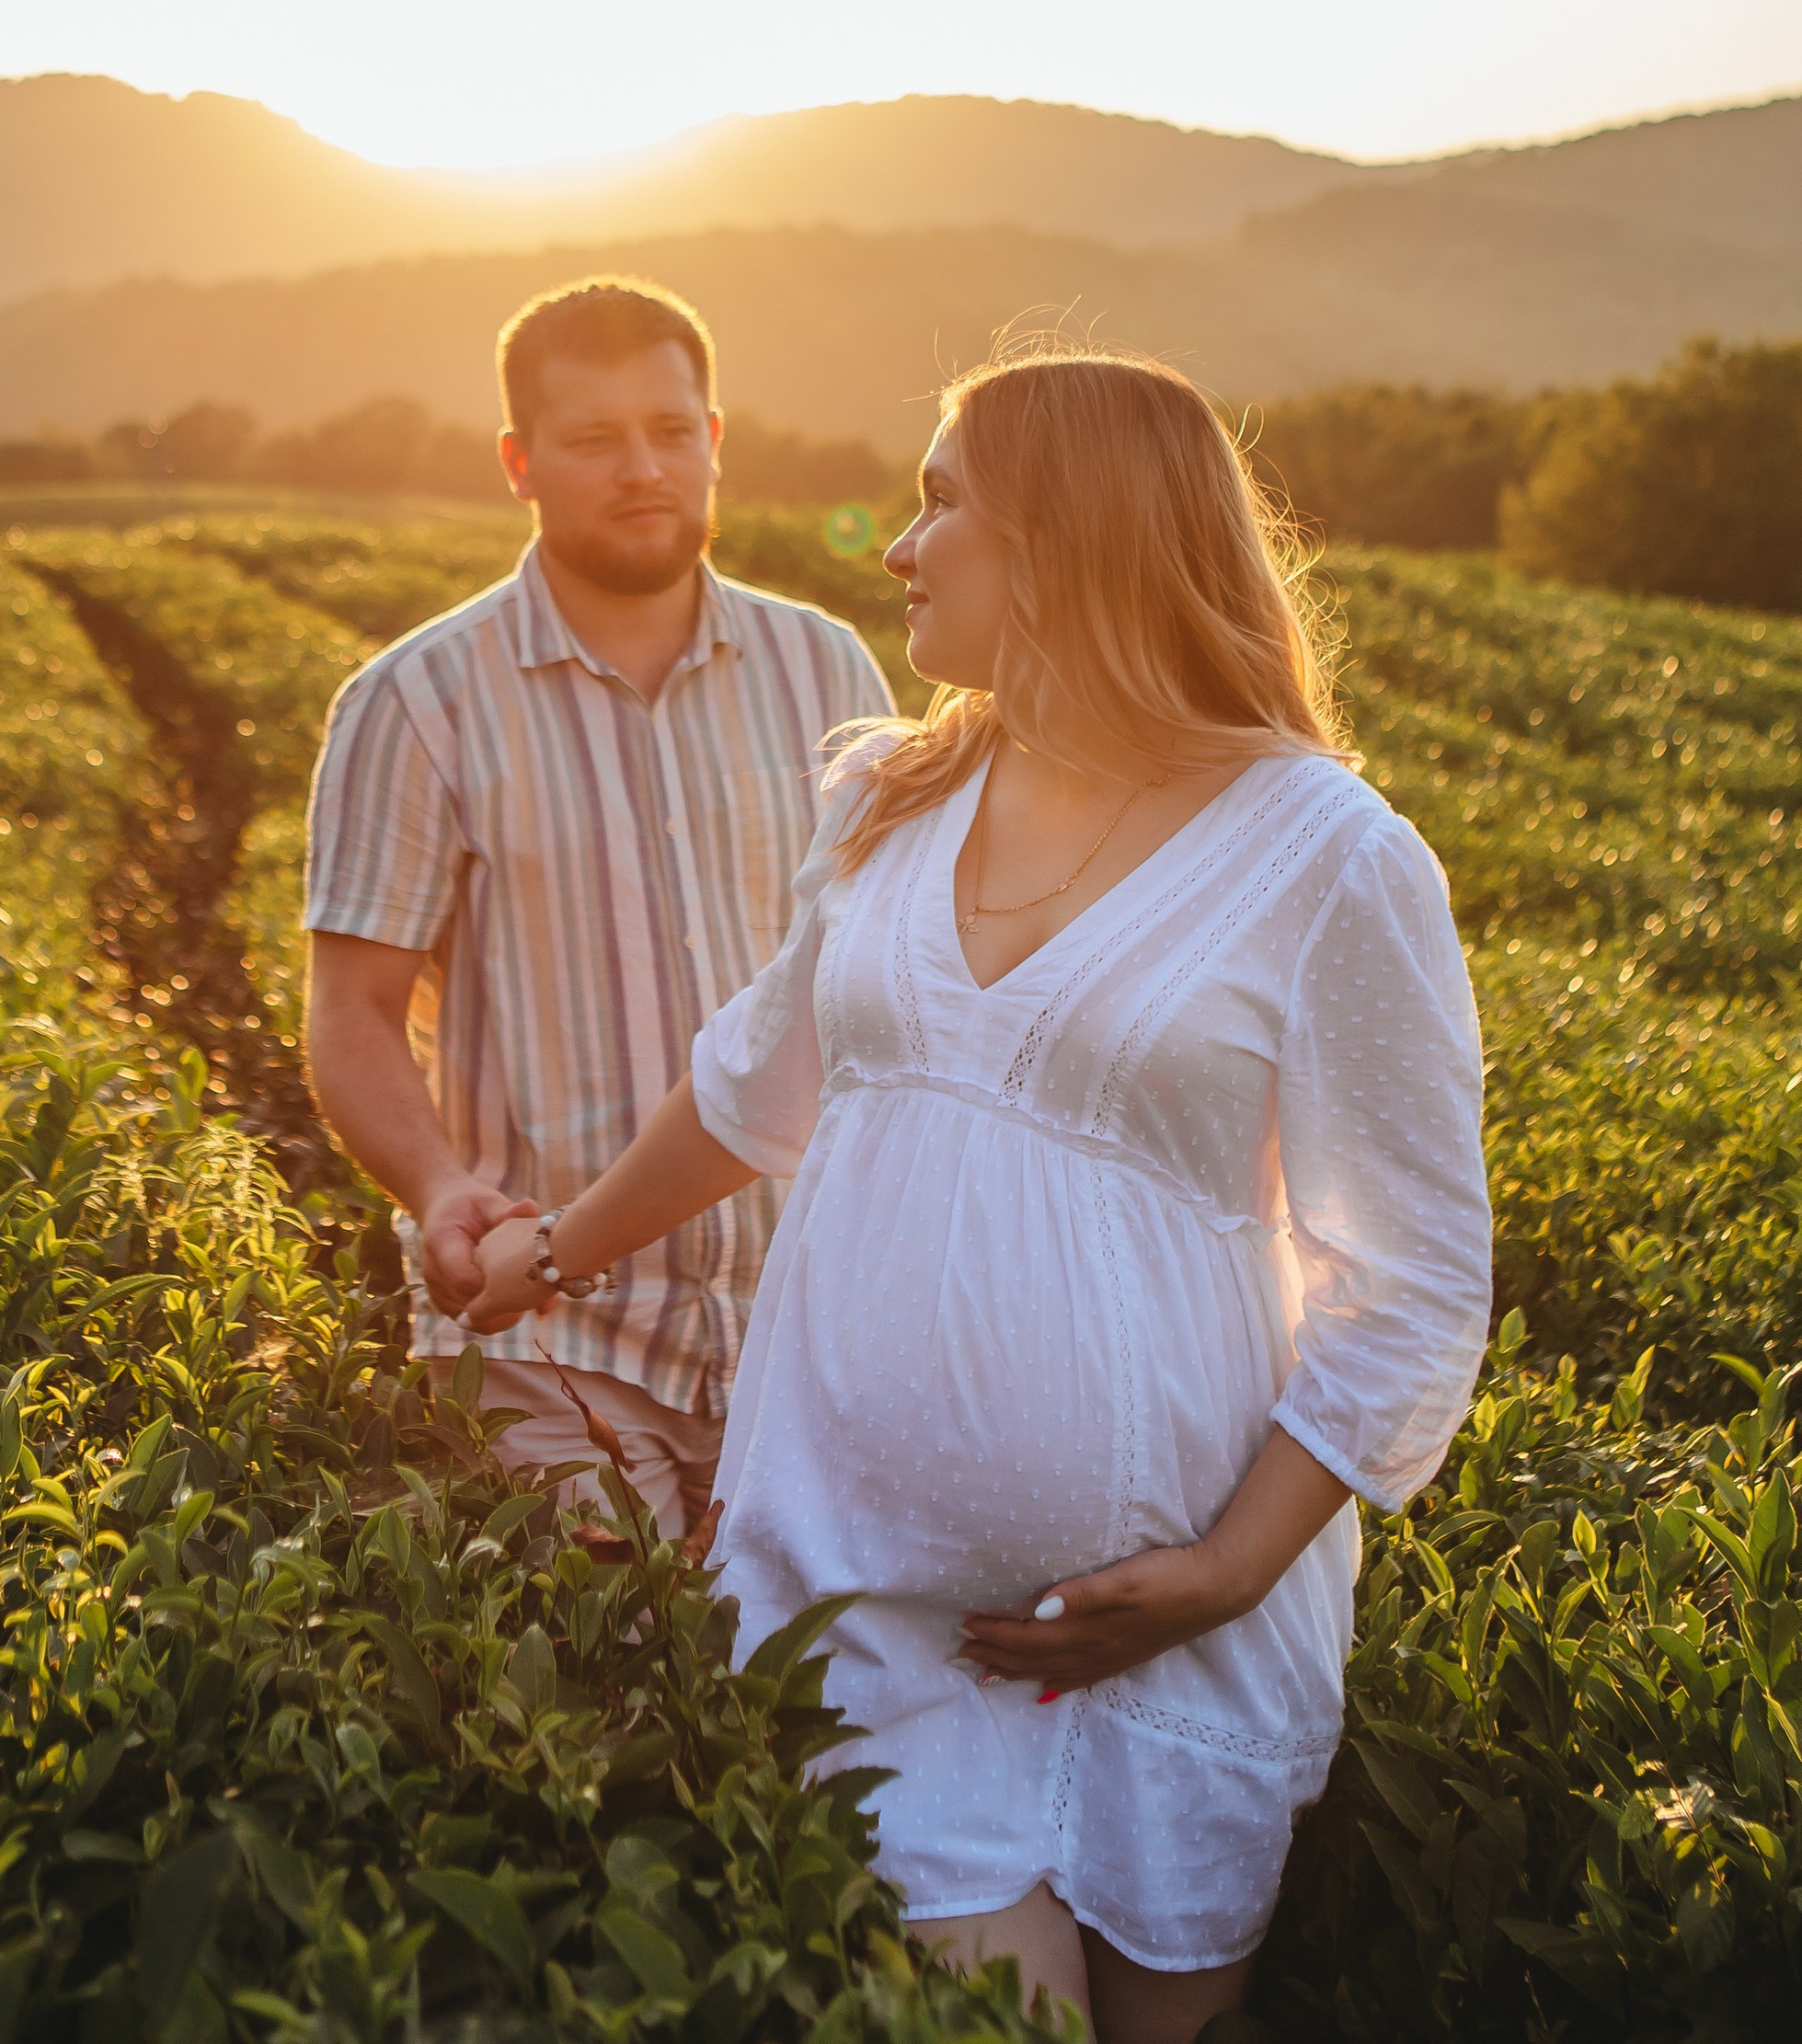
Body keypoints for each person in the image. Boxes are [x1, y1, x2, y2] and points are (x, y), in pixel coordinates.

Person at [466, 345, 1493, 2041]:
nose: (899, 544)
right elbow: (753, 1084)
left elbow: (1417, 1282)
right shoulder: (893, 795)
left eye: (942, 501)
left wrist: (1231, 1567)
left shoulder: (1329, 854)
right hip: (864, 1597)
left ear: (1070, 538)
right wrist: (550, 1251)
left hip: (1176, 1637)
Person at [303, 275, 895, 1538]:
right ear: (518, 462)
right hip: (550, 1327)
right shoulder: (415, 701)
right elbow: (351, 1010)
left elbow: (889, 966)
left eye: (672, 431)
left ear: (715, 440)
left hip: (811, 1319)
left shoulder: (828, 667)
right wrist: (437, 1186)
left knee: (808, 1668)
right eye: (593, 440)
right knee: (610, 1648)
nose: (643, 469)